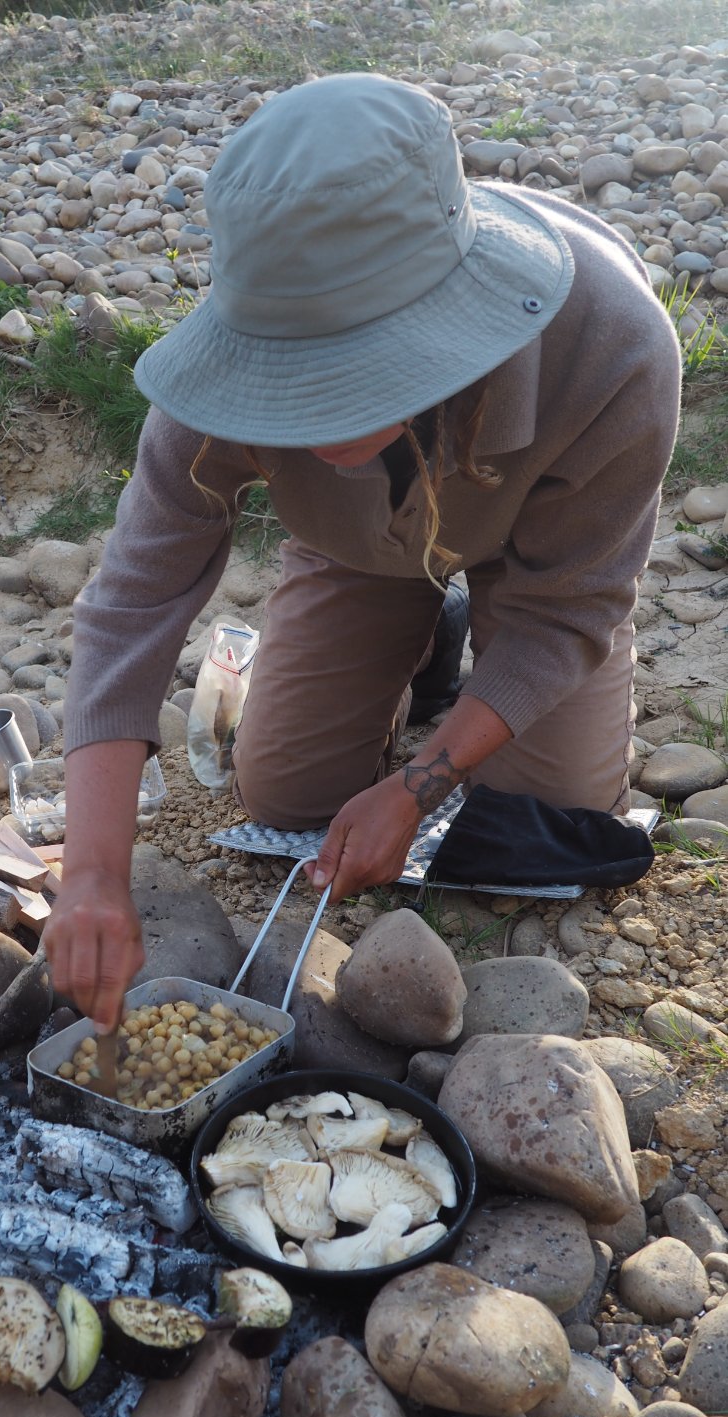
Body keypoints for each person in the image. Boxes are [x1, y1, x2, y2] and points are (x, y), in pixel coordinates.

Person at [43, 71, 682, 1031]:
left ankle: (471, 619)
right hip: (352, 545)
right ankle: (428, 631)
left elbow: (570, 607)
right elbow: (135, 600)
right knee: (287, 793)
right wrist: (94, 871)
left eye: (350, 373)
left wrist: (422, 787)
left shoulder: (617, 348)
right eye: (291, 376)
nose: (316, 415)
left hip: (537, 560)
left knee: (553, 808)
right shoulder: (230, 359)